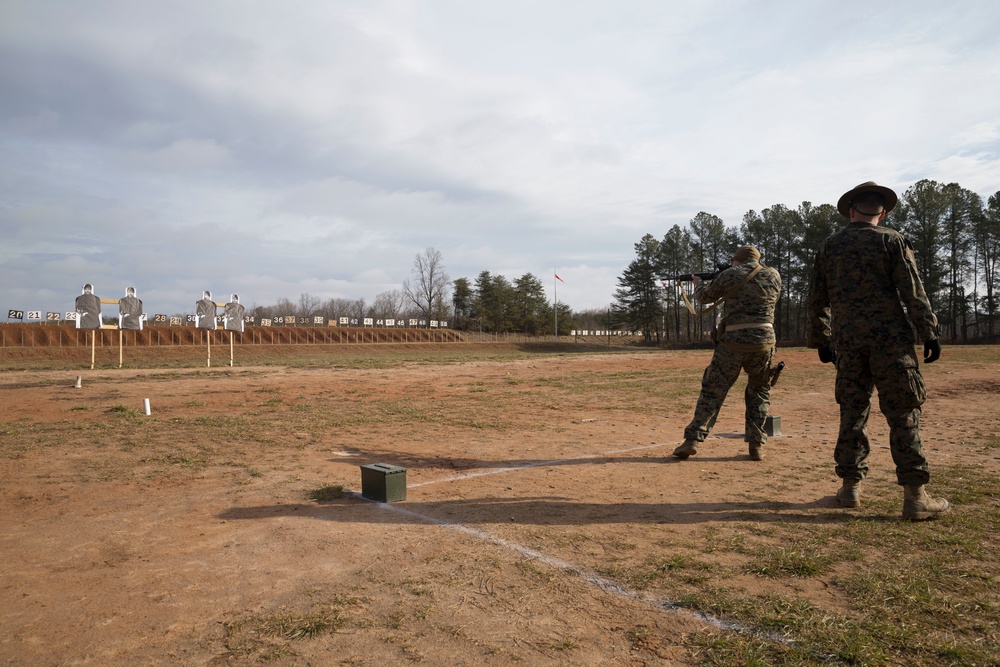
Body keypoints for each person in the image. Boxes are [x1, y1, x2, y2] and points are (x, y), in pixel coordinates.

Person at [807, 181, 949, 521]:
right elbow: (912, 290)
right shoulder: (892, 240)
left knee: (852, 412)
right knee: (903, 413)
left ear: (851, 211)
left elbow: (816, 299)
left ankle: (850, 488)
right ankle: (916, 496)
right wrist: (928, 331)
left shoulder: (829, 246)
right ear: (882, 212)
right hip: (891, 343)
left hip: (848, 344)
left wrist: (822, 340)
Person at [673, 245, 782, 461]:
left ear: (737, 260)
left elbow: (705, 298)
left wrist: (698, 284)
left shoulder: (730, 274)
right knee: (759, 391)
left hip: (732, 342)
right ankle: (756, 444)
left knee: (713, 391)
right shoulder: (774, 275)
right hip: (764, 342)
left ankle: (692, 439)